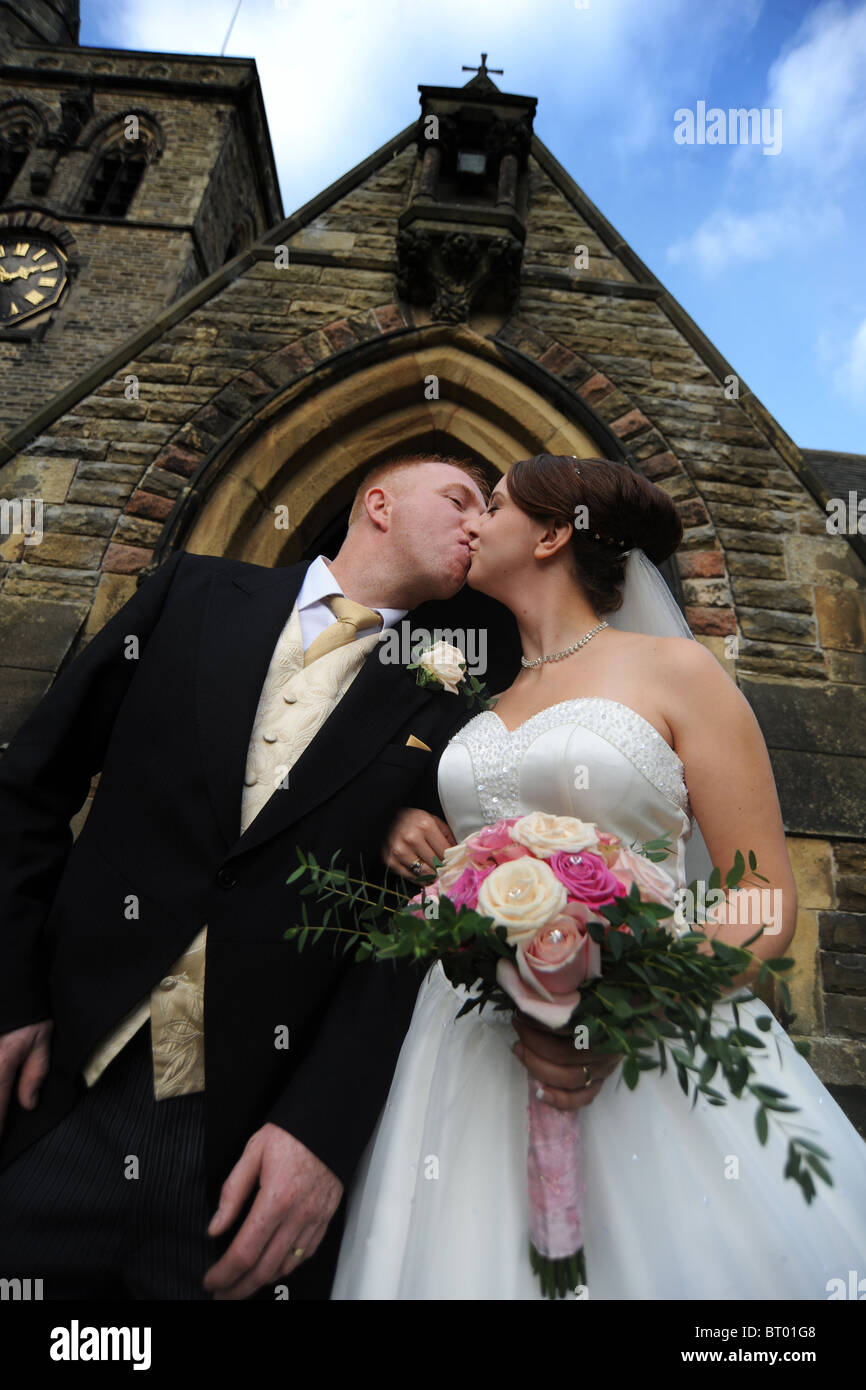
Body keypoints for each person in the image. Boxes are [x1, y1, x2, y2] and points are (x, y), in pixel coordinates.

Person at [0, 454, 582, 1301]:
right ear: (376, 503)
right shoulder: (190, 595)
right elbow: (29, 788)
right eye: (459, 499)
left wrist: (321, 1131)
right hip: (60, 1090)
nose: (477, 524)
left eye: (486, 510)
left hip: (245, 1156)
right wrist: (10, 995)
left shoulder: (457, 704)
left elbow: (405, 932)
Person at [331, 453, 866, 1300]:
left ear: (551, 534)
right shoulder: (479, 698)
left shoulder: (677, 673)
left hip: (644, 1034)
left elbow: (762, 898)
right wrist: (405, 825)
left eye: (493, 506)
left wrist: (631, 1011)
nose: (472, 522)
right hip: (464, 1042)